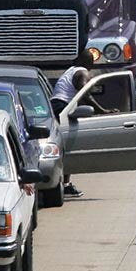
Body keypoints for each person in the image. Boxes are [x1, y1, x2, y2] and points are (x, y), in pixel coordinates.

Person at [49, 66, 90, 197]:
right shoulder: (82, 72)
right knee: (67, 146)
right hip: (62, 107)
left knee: (62, 146)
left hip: (55, 106)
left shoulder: (70, 70)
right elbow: (84, 92)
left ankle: (63, 183)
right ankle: (64, 185)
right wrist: (102, 110)